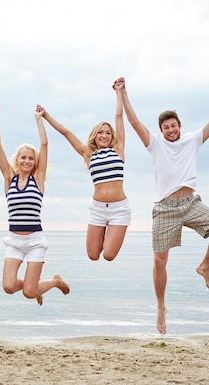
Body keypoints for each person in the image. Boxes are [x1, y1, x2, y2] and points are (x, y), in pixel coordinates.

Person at [120, 71, 209, 334]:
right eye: (166, 127)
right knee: (159, 261)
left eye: (174, 126)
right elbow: (134, 122)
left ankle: (204, 266)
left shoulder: (193, 140)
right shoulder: (155, 144)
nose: (170, 130)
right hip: (165, 208)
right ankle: (161, 308)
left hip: (191, 203)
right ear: (161, 131)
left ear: (180, 126)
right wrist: (123, 93)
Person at [41, 78, 131, 261]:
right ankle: (106, 230)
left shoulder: (118, 149)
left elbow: (119, 117)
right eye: (100, 132)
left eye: (107, 132)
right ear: (94, 136)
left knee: (109, 255)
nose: (104, 135)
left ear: (112, 136)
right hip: (97, 209)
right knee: (92, 255)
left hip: (119, 209)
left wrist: (119, 93)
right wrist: (45, 115)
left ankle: (114, 230)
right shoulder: (88, 154)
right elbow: (65, 132)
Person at [0, 100, 70, 305]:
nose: (26, 161)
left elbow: (44, 144)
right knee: (8, 287)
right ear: (17, 160)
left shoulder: (39, 179)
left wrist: (39, 119)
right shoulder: (9, 178)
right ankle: (34, 286)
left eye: (31, 159)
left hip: (35, 241)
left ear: (35, 162)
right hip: (14, 241)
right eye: (23, 158)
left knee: (28, 292)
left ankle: (53, 282)